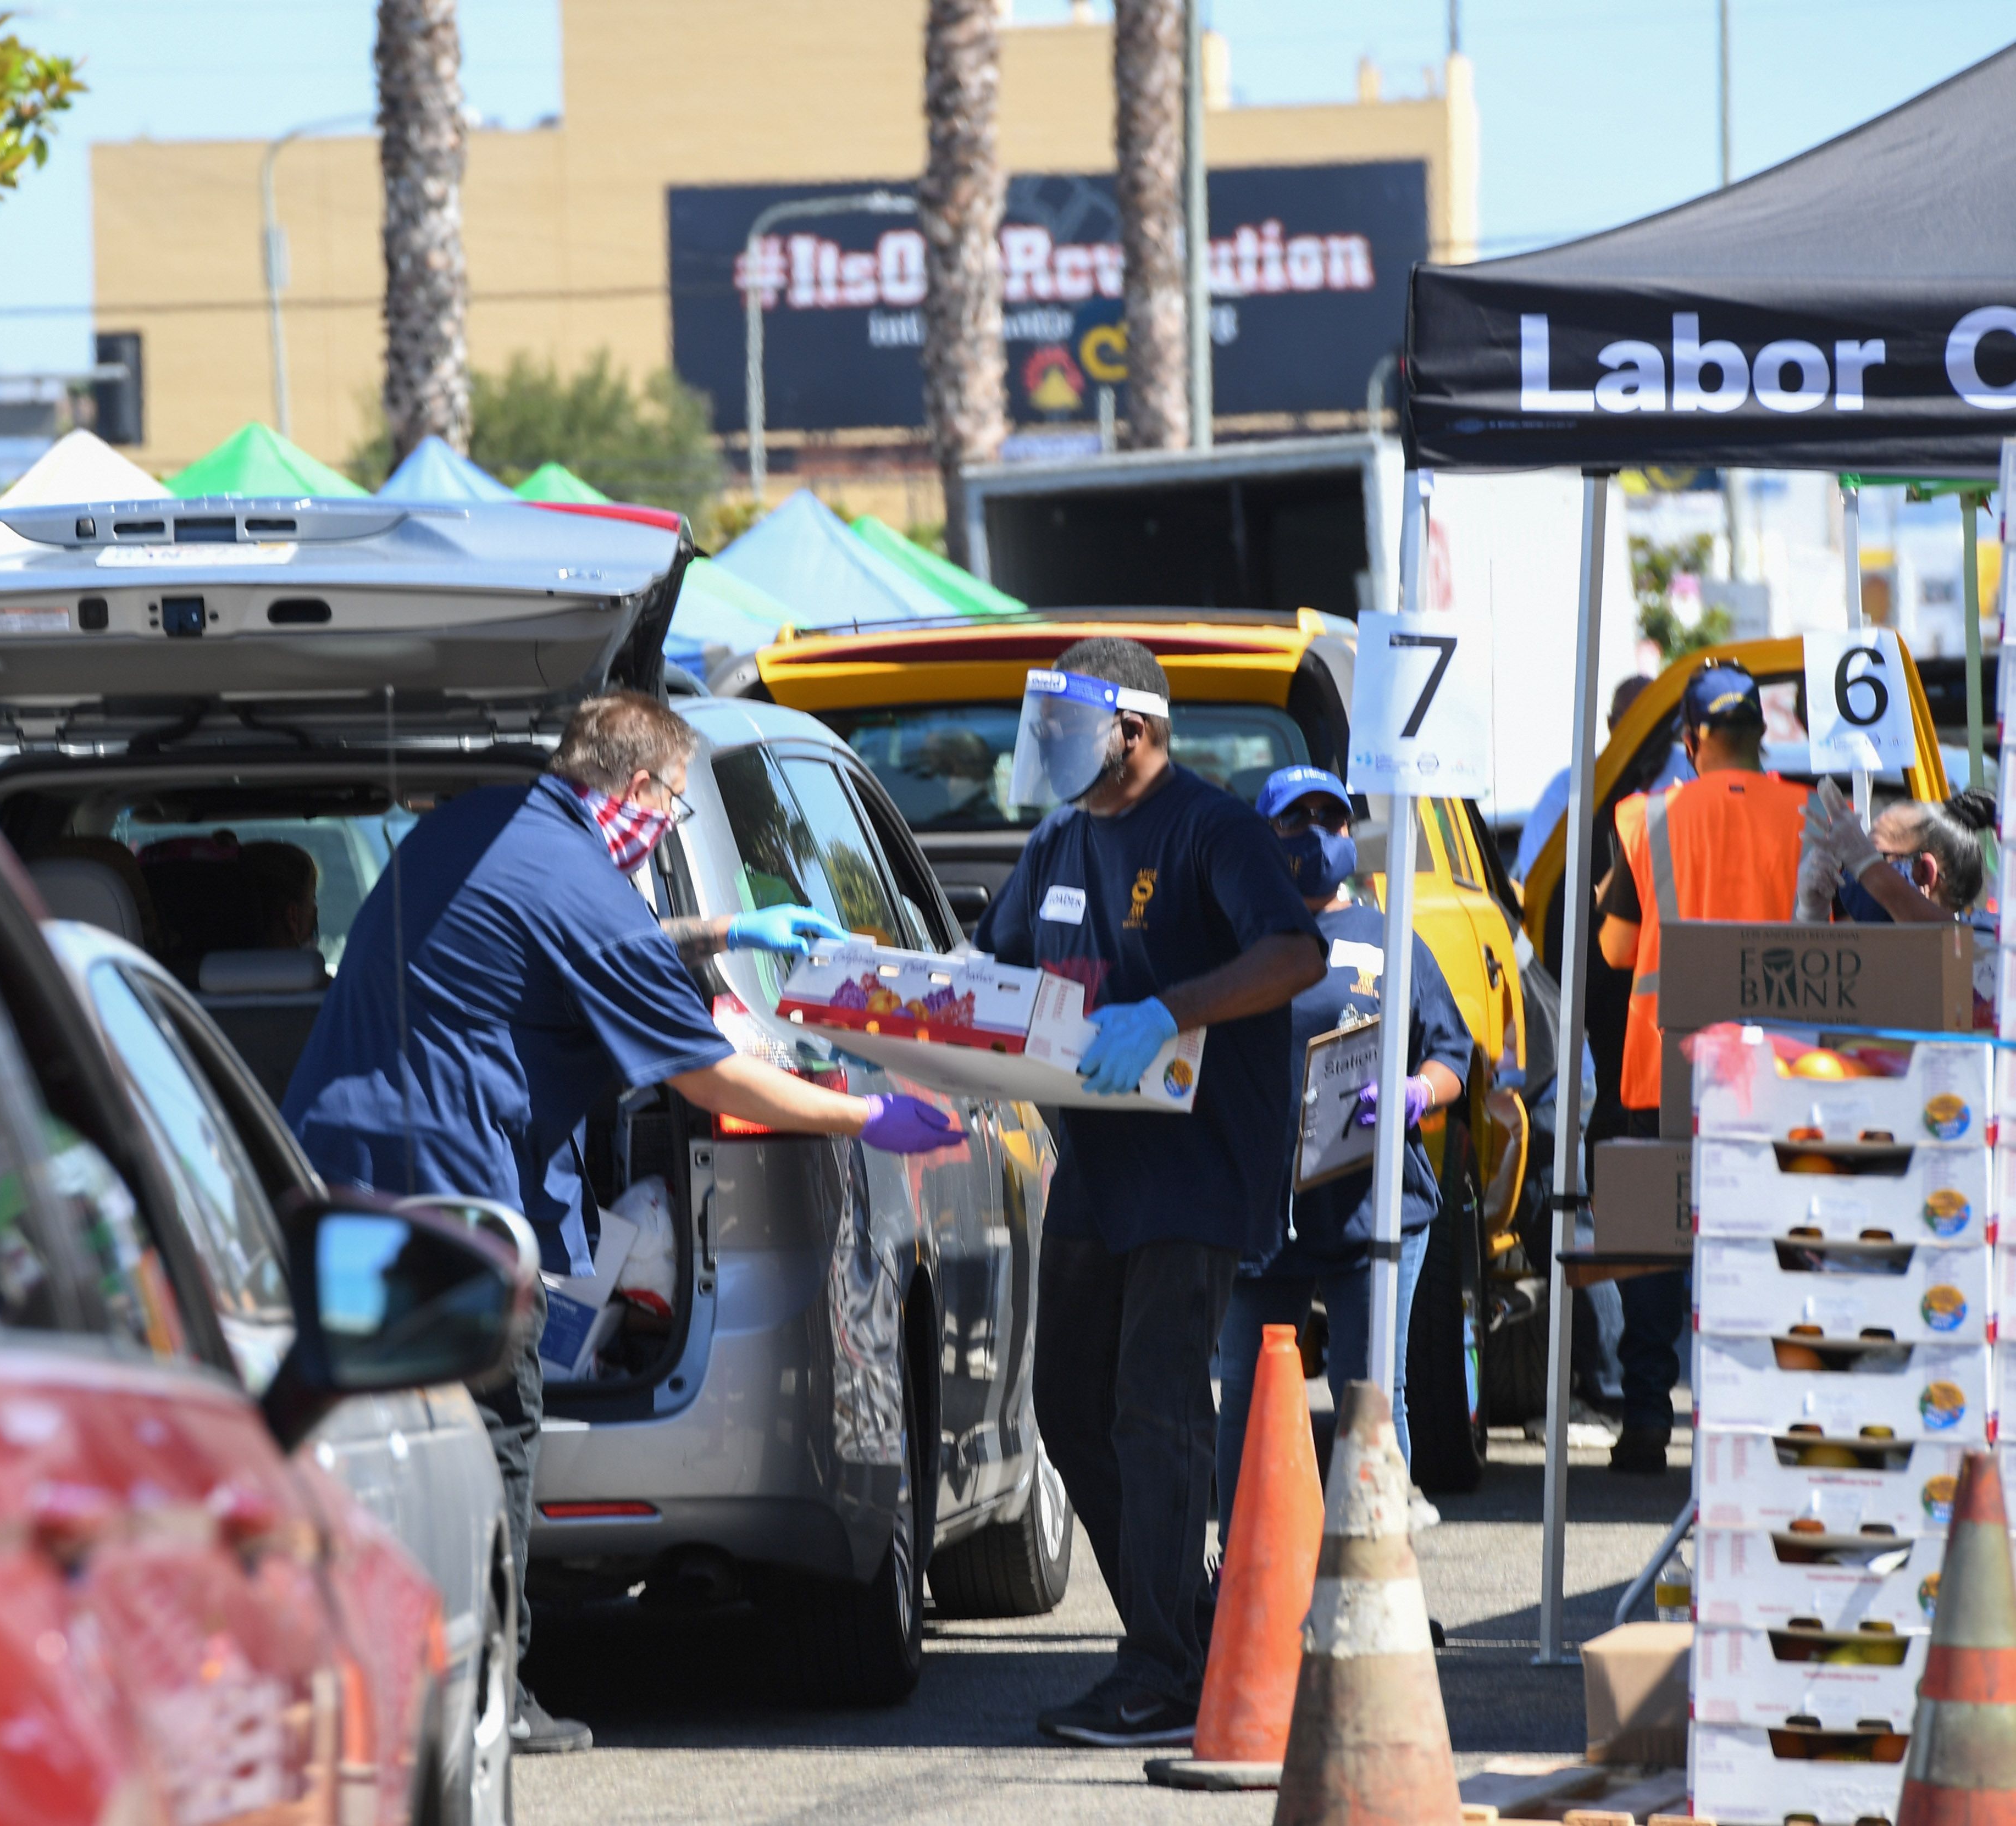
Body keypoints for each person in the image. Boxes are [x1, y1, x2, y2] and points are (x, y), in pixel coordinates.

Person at [278, 690, 967, 1756]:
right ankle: (491, 1686)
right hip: (451, 1198)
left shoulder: (479, 826)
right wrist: (866, 1115)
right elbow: (707, 1078)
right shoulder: (577, 877)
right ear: (639, 786)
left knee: (368, 1436)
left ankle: (346, 1666)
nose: (667, 822)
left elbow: (595, 945)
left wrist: (727, 928)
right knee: (493, 1426)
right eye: (673, 802)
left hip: (333, 1176)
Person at [978, 639, 1326, 1749]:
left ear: (1132, 729)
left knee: (1155, 1404)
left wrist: (1171, 1010)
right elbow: (999, 964)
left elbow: (1295, 953)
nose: (1048, 746)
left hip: (1196, 1165)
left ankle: (1165, 1669)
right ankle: (1186, 1627)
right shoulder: (1059, 837)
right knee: (1068, 1403)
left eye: (1066, 728)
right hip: (1097, 1162)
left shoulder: (1209, 829)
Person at [1215, 767, 1473, 1535]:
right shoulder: (1235, 935)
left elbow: (1452, 1054)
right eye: (1295, 821)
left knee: (1372, 1396)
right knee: (1250, 1396)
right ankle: (1245, 1566)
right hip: (1265, 1212)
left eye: (1331, 819)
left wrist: (1415, 1091)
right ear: (1263, 837)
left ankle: (1372, 1566)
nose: (1318, 835)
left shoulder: (1391, 937)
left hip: (1374, 1206)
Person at [1593, 662, 1807, 1475]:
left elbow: (1616, 949)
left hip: (1667, 1066)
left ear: (1690, 740)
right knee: (1768, 1234)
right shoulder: (1811, 813)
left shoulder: (1645, 817)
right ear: (1761, 733)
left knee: (1658, 1240)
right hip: (1778, 1072)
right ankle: (1765, 1412)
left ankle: (1649, 1414)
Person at [1514, 674, 1688, 882]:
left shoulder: (1692, 772)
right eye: (1635, 722)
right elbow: (1536, 875)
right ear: (1612, 723)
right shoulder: (1569, 789)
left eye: (1656, 722)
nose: (1647, 734)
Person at [1799, 783, 1995, 925]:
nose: (1853, 870)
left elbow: (1941, 940)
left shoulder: (1984, 947)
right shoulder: (1864, 948)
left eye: (1872, 856)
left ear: (1924, 872)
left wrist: (1866, 864)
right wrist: (1813, 916)